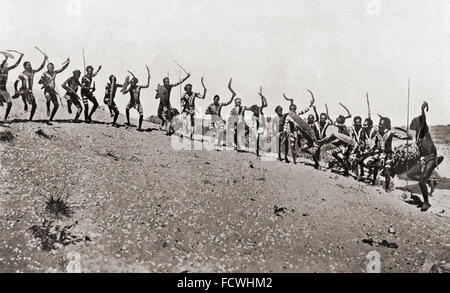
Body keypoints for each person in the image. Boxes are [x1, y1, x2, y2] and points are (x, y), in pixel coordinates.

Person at [408, 102, 440, 211]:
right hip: (424, 159)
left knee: (421, 180)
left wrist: (422, 109)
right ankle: (429, 181)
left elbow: (423, 120)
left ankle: (426, 203)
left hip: (431, 158)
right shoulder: (417, 135)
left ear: (419, 123)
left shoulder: (423, 130)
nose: (411, 123)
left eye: (413, 122)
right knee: (411, 174)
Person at [14, 55, 48, 120]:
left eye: (30, 65)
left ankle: (30, 118)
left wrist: (45, 59)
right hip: (23, 90)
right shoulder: (22, 73)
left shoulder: (32, 72)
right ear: (25, 67)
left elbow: (40, 67)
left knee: (34, 105)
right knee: (23, 95)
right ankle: (25, 103)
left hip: (29, 91)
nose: (30, 66)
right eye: (28, 65)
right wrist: (16, 90)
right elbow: (16, 82)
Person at [205, 79, 236, 148]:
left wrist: (233, 96)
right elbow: (206, 112)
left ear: (218, 100)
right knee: (214, 132)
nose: (216, 100)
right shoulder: (211, 105)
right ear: (213, 99)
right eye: (215, 99)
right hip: (213, 120)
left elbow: (228, 102)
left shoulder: (220, 104)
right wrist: (211, 112)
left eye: (217, 99)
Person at [123, 66, 150, 131]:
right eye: (131, 82)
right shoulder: (130, 88)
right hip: (131, 102)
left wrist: (149, 79)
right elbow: (124, 92)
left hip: (137, 103)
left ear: (135, 82)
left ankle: (139, 127)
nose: (131, 83)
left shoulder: (139, 87)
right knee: (127, 109)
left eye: (132, 82)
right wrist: (125, 87)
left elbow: (147, 86)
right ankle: (128, 122)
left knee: (141, 114)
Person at [0, 51, 24, 121]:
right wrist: (6, 58)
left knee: (10, 104)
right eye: (4, 64)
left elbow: (16, 65)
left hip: (4, 90)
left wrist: (20, 57)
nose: (5, 65)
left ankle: (5, 118)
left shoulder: (7, 70)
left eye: (6, 65)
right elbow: (1, 65)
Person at [358, 118, 381, 185]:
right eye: (363, 125)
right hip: (369, 152)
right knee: (359, 160)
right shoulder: (363, 131)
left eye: (365, 125)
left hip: (376, 153)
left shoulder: (375, 132)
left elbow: (378, 145)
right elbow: (362, 142)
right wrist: (363, 148)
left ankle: (373, 179)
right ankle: (363, 175)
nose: (363, 126)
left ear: (370, 126)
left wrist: (372, 150)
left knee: (370, 163)